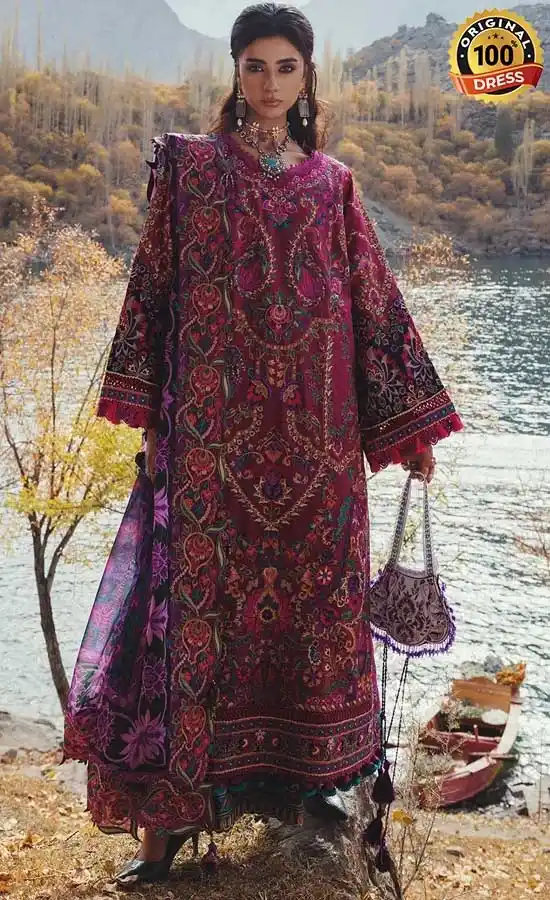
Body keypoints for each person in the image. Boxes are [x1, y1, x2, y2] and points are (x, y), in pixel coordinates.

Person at [62, 2, 463, 886]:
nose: (271, 83)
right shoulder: (192, 169)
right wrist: (146, 409)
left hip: (320, 454)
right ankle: (165, 831)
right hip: (210, 450)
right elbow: (153, 282)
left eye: (287, 67)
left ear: (307, 77)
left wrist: (410, 431)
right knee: (187, 626)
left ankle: (312, 800)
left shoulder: (334, 184)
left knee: (314, 622)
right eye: (255, 66)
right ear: (236, 72)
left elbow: (372, 303)